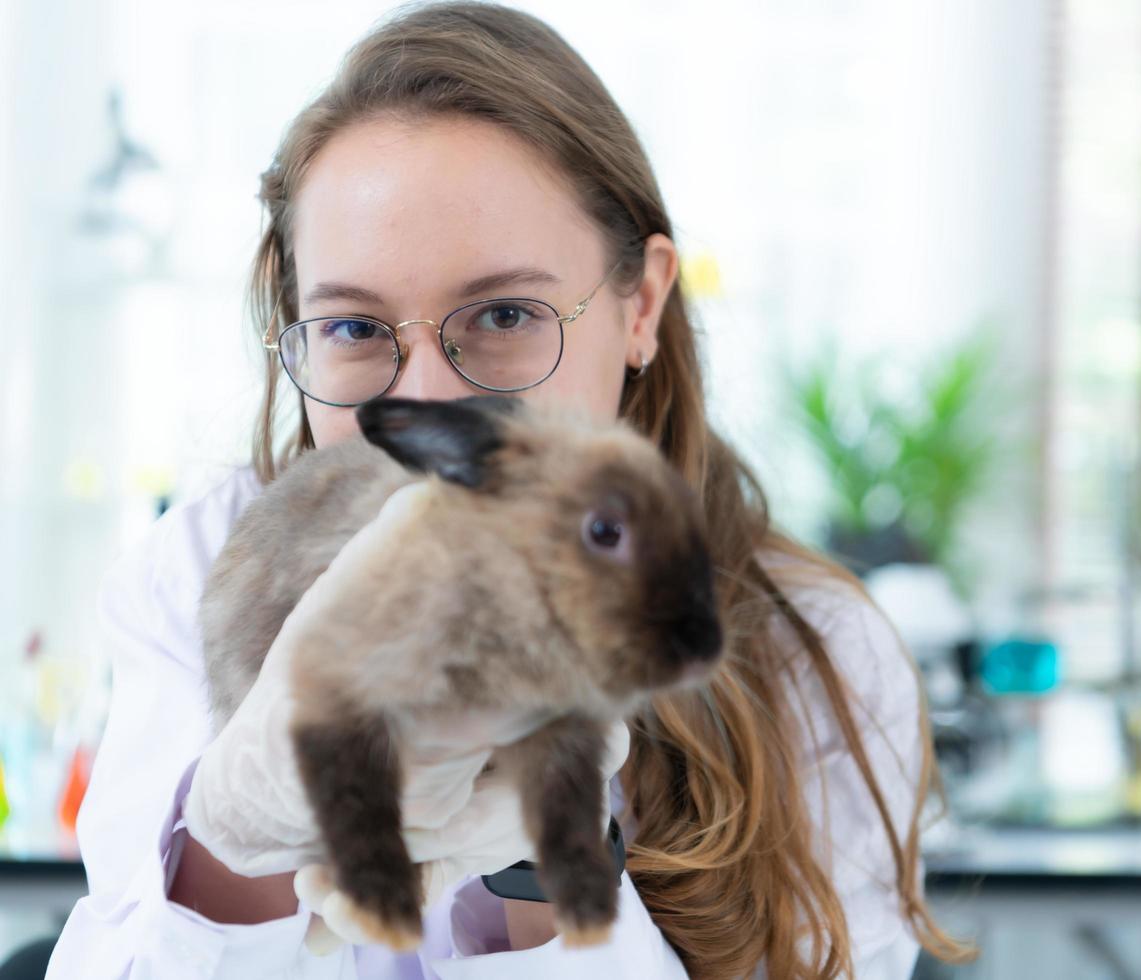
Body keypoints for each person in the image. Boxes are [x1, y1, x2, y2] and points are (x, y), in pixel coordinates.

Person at [46, 3, 973, 977]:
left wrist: (534, 876)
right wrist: (238, 836)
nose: (429, 396)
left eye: (503, 314)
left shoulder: (814, 650)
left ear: (641, 306)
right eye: (357, 329)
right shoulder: (195, 574)